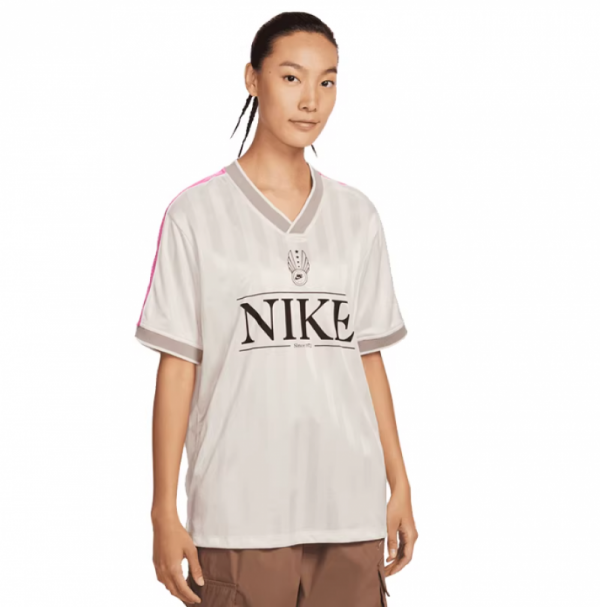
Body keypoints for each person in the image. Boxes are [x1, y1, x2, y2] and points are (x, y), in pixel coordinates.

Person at [134, 11, 418, 607]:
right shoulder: (196, 216)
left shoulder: (357, 217)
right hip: (240, 518)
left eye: (327, 81)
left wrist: (399, 482)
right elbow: (178, 367)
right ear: (252, 79)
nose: (311, 99)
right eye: (291, 78)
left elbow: (366, 358)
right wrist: (163, 509)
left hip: (350, 512)